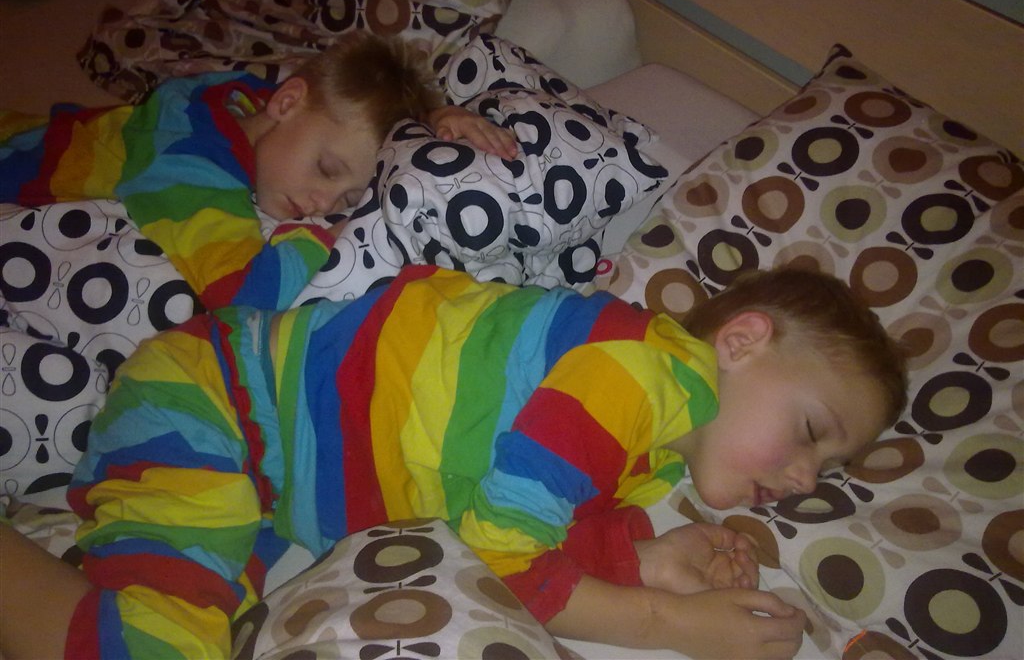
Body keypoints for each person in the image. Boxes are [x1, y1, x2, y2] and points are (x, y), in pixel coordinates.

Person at [0, 264, 906, 660]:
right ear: (741, 342)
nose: (803, 479)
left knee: (196, 608)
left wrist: (647, 558)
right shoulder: (635, 375)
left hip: (272, 475)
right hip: (222, 398)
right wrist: (671, 624)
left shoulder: (655, 456)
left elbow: (526, 517)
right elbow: (507, 554)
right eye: (811, 431)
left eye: (827, 470)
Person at [0, 31, 517, 312]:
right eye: (326, 169)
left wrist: (432, 120)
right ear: (286, 102)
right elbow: (242, 292)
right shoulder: (187, 167)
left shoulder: (243, 102)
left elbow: (354, 121)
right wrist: (329, 236)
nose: (322, 204)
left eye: (345, 200)